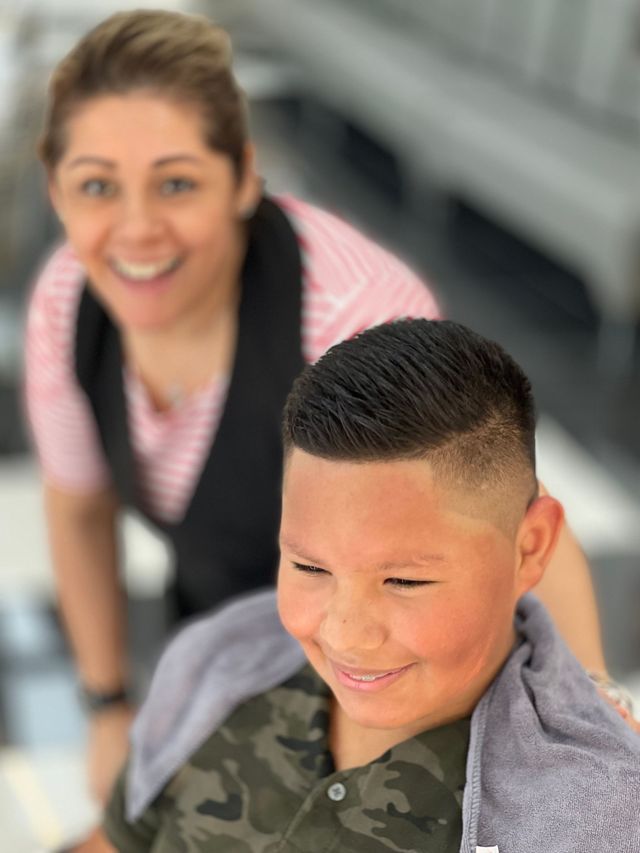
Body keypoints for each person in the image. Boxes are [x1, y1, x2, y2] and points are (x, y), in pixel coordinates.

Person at [25, 9, 607, 804]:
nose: (136, 227)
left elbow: (509, 518)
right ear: (55, 189)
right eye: (96, 185)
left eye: (177, 182)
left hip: (400, 671)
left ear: (243, 178)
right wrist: (107, 706)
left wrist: (584, 726)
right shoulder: (66, 302)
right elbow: (78, 503)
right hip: (224, 640)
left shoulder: (353, 309)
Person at [78, 319, 639, 852]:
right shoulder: (216, 667)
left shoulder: (590, 822)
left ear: (531, 547)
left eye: (404, 580)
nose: (346, 634)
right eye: (309, 568)